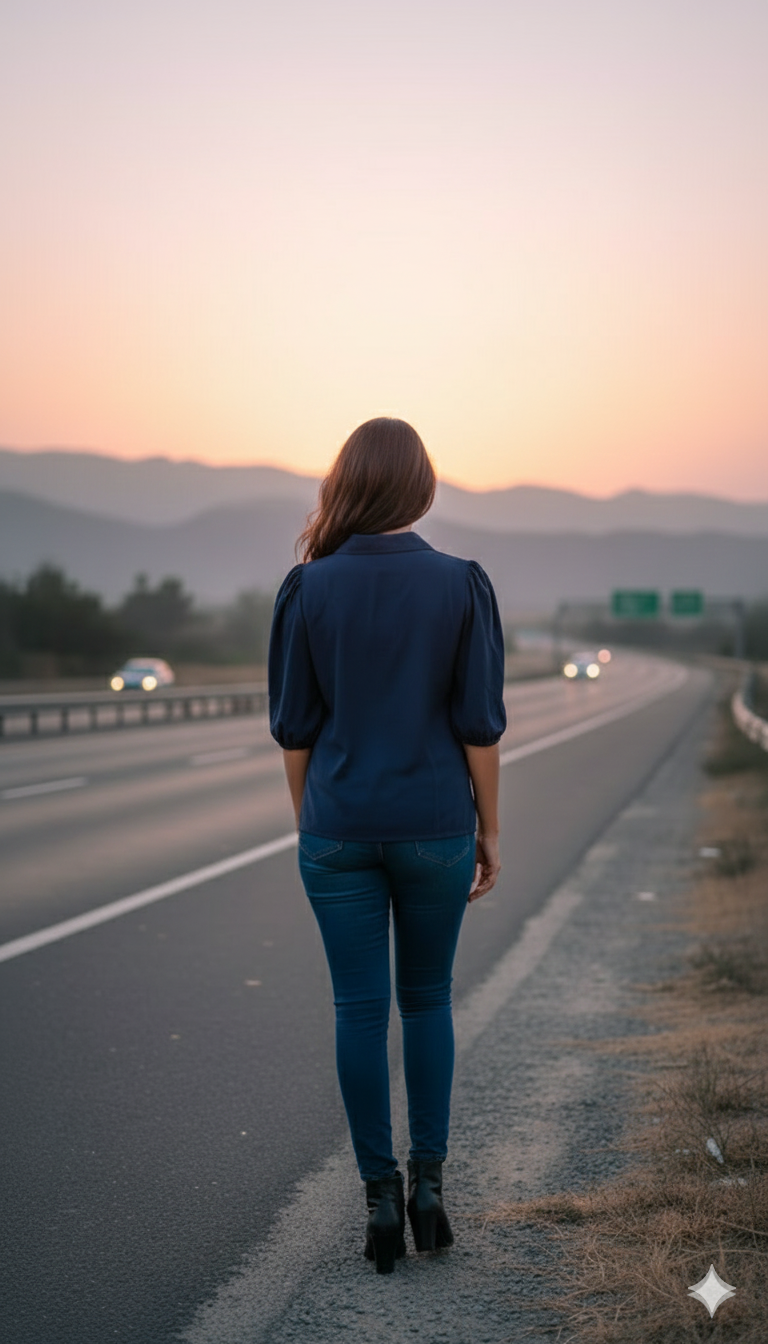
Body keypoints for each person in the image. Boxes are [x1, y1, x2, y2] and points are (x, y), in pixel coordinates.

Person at [268, 417, 506, 1274]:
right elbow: (479, 726)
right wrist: (490, 831)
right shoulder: (461, 584)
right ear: (421, 486)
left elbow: (294, 729)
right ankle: (431, 1188)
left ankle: (377, 1198)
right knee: (428, 1002)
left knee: (358, 1012)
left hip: (337, 829)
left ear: (348, 485)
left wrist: (312, 818)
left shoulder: (307, 588)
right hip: (436, 826)